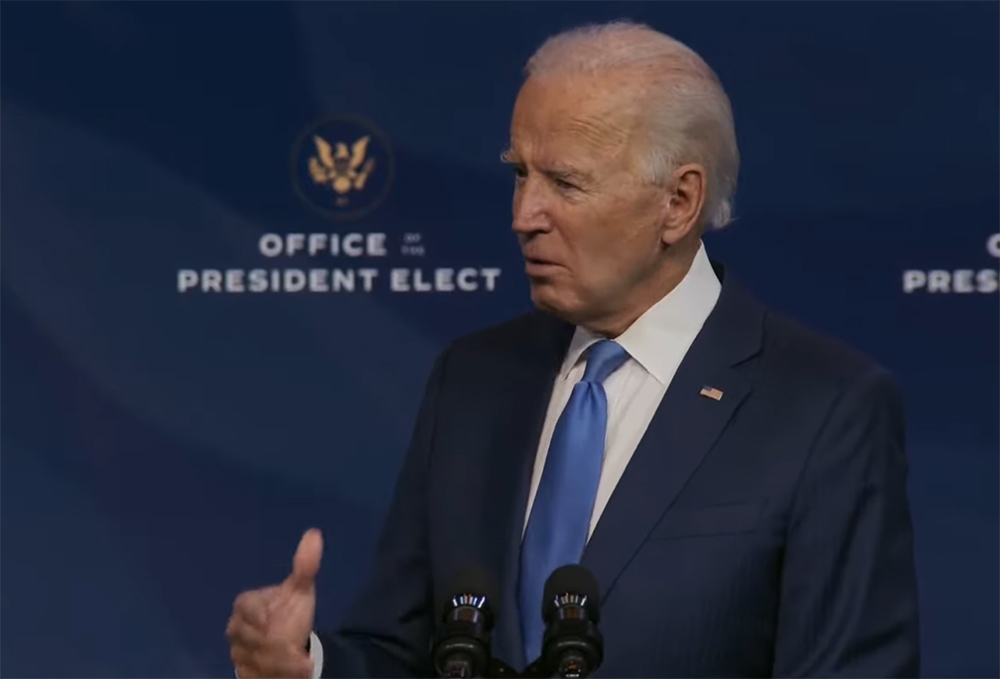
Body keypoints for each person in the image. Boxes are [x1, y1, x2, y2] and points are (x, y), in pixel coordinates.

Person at [226, 20, 920, 678]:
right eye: (519, 174)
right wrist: (309, 665)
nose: (523, 215)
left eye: (564, 182)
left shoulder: (824, 406)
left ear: (678, 202)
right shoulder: (473, 379)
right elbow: (404, 652)